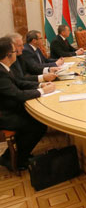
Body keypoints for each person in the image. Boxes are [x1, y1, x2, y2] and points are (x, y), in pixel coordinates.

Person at [0, 37, 55, 171]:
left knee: (37, 121)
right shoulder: (1, 73)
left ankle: (15, 156)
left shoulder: (5, 67)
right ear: (8, 55)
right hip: (5, 114)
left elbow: (19, 83)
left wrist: (40, 84)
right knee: (37, 125)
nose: (19, 52)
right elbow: (17, 94)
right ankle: (15, 159)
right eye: (15, 50)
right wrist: (41, 91)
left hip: (11, 108)